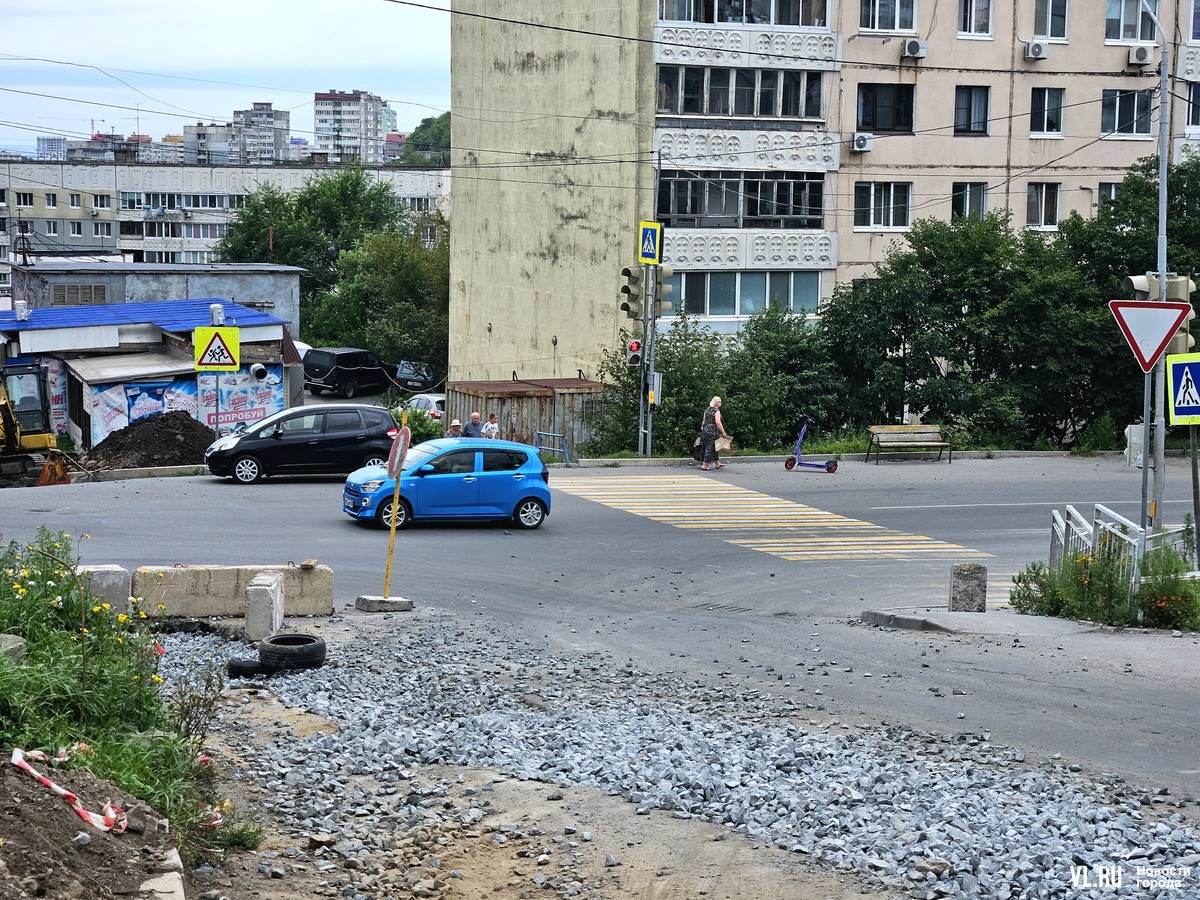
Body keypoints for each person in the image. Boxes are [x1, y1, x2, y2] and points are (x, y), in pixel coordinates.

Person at [698, 396, 729, 471]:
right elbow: (718, 422)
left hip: (706, 430)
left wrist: (703, 429)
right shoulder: (716, 411)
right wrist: (723, 432)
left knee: (714, 446)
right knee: (710, 447)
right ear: (716, 403)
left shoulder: (707, 410)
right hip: (713, 431)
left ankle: (717, 463)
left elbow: (704, 421)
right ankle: (704, 465)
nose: (721, 403)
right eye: (719, 402)